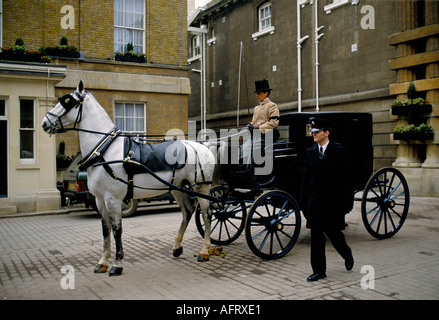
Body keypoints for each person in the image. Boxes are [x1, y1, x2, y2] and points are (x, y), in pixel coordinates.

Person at [300, 117, 354, 282]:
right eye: (313, 132)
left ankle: (347, 254)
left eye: (317, 131)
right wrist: (303, 202)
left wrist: (347, 204)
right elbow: (306, 179)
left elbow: (347, 180)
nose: (314, 134)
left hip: (333, 203)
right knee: (316, 237)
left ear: (326, 133)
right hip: (315, 202)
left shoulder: (339, 151)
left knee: (334, 234)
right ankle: (319, 271)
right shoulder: (310, 152)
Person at [241, 79, 280, 167]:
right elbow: (253, 122)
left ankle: (254, 172)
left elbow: (274, 123)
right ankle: (244, 167)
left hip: (267, 135)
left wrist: (259, 127)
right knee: (244, 147)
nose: (257, 96)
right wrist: (249, 126)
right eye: (256, 94)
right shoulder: (256, 108)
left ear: (266, 93)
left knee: (253, 148)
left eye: (259, 93)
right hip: (256, 136)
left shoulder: (272, 105)